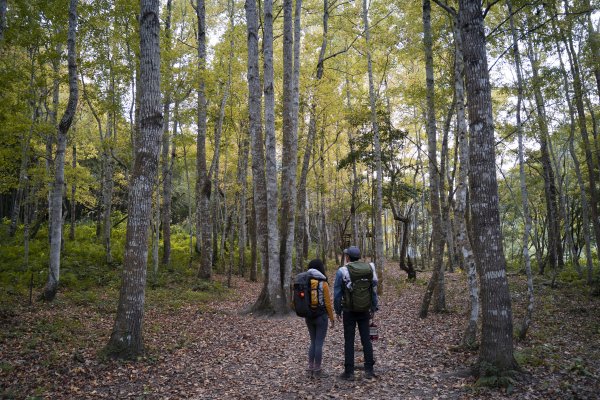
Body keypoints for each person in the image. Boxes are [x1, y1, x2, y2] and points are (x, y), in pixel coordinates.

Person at [334, 246, 379, 380]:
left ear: (348, 257)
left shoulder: (342, 271)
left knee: (349, 340)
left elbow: (337, 294)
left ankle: (349, 372)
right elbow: (373, 289)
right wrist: (373, 307)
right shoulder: (370, 268)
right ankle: (369, 370)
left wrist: (338, 310)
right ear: (359, 256)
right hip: (365, 309)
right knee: (366, 339)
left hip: (349, 310)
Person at [304, 259, 335, 378]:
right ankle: (317, 369)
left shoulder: (305, 282)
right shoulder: (323, 283)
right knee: (319, 343)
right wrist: (331, 318)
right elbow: (327, 303)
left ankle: (310, 367)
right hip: (321, 317)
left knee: (312, 342)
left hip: (308, 316)